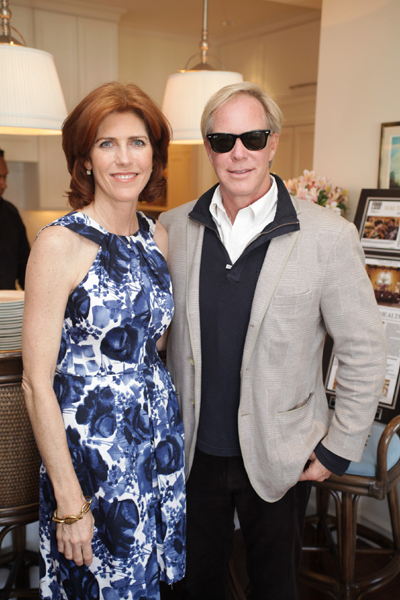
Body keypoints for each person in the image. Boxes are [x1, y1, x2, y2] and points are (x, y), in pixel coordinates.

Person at [159, 81, 387, 600]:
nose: (238, 153)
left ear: (275, 142)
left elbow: (365, 349)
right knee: (195, 588)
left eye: (253, 137)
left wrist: (338, 449)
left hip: (283, 457)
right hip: (192, 454)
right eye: (222, 140)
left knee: (274, 588)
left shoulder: (329, 236)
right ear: (208, 148)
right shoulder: (171, 229)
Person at [22, 82, 186, 600]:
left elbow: (150, 345)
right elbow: (34, 384)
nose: (124, 158)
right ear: (85, 159)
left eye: (137, 143)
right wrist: (70, 499)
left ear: (154, 156)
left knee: (150, 584)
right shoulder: (59, 243)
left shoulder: (155, 236)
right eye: (106, 143)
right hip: (94, 457)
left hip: (158, 444)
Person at [0, 149, 30, 289]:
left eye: (5, 177)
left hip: (9, 308)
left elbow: (25, 268)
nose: (3, 184)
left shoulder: (10, 213)